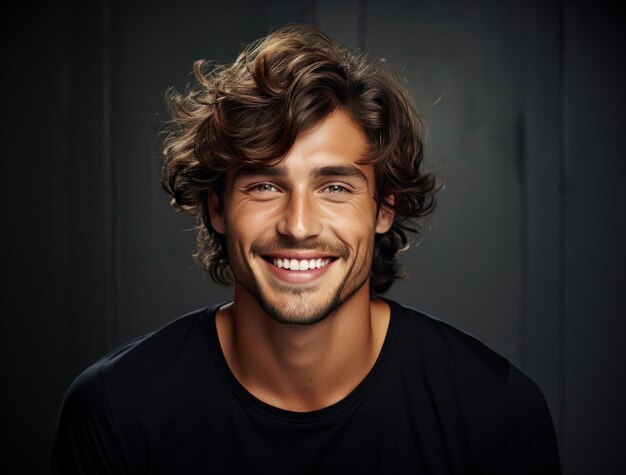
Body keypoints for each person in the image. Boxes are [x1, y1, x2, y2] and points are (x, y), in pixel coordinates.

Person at [52, 24, 561, 474]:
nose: (298, 225)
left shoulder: (494, 413)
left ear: (384, 208)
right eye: (264, 186)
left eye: (335, 187)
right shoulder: (115, 410)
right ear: (217, 208)